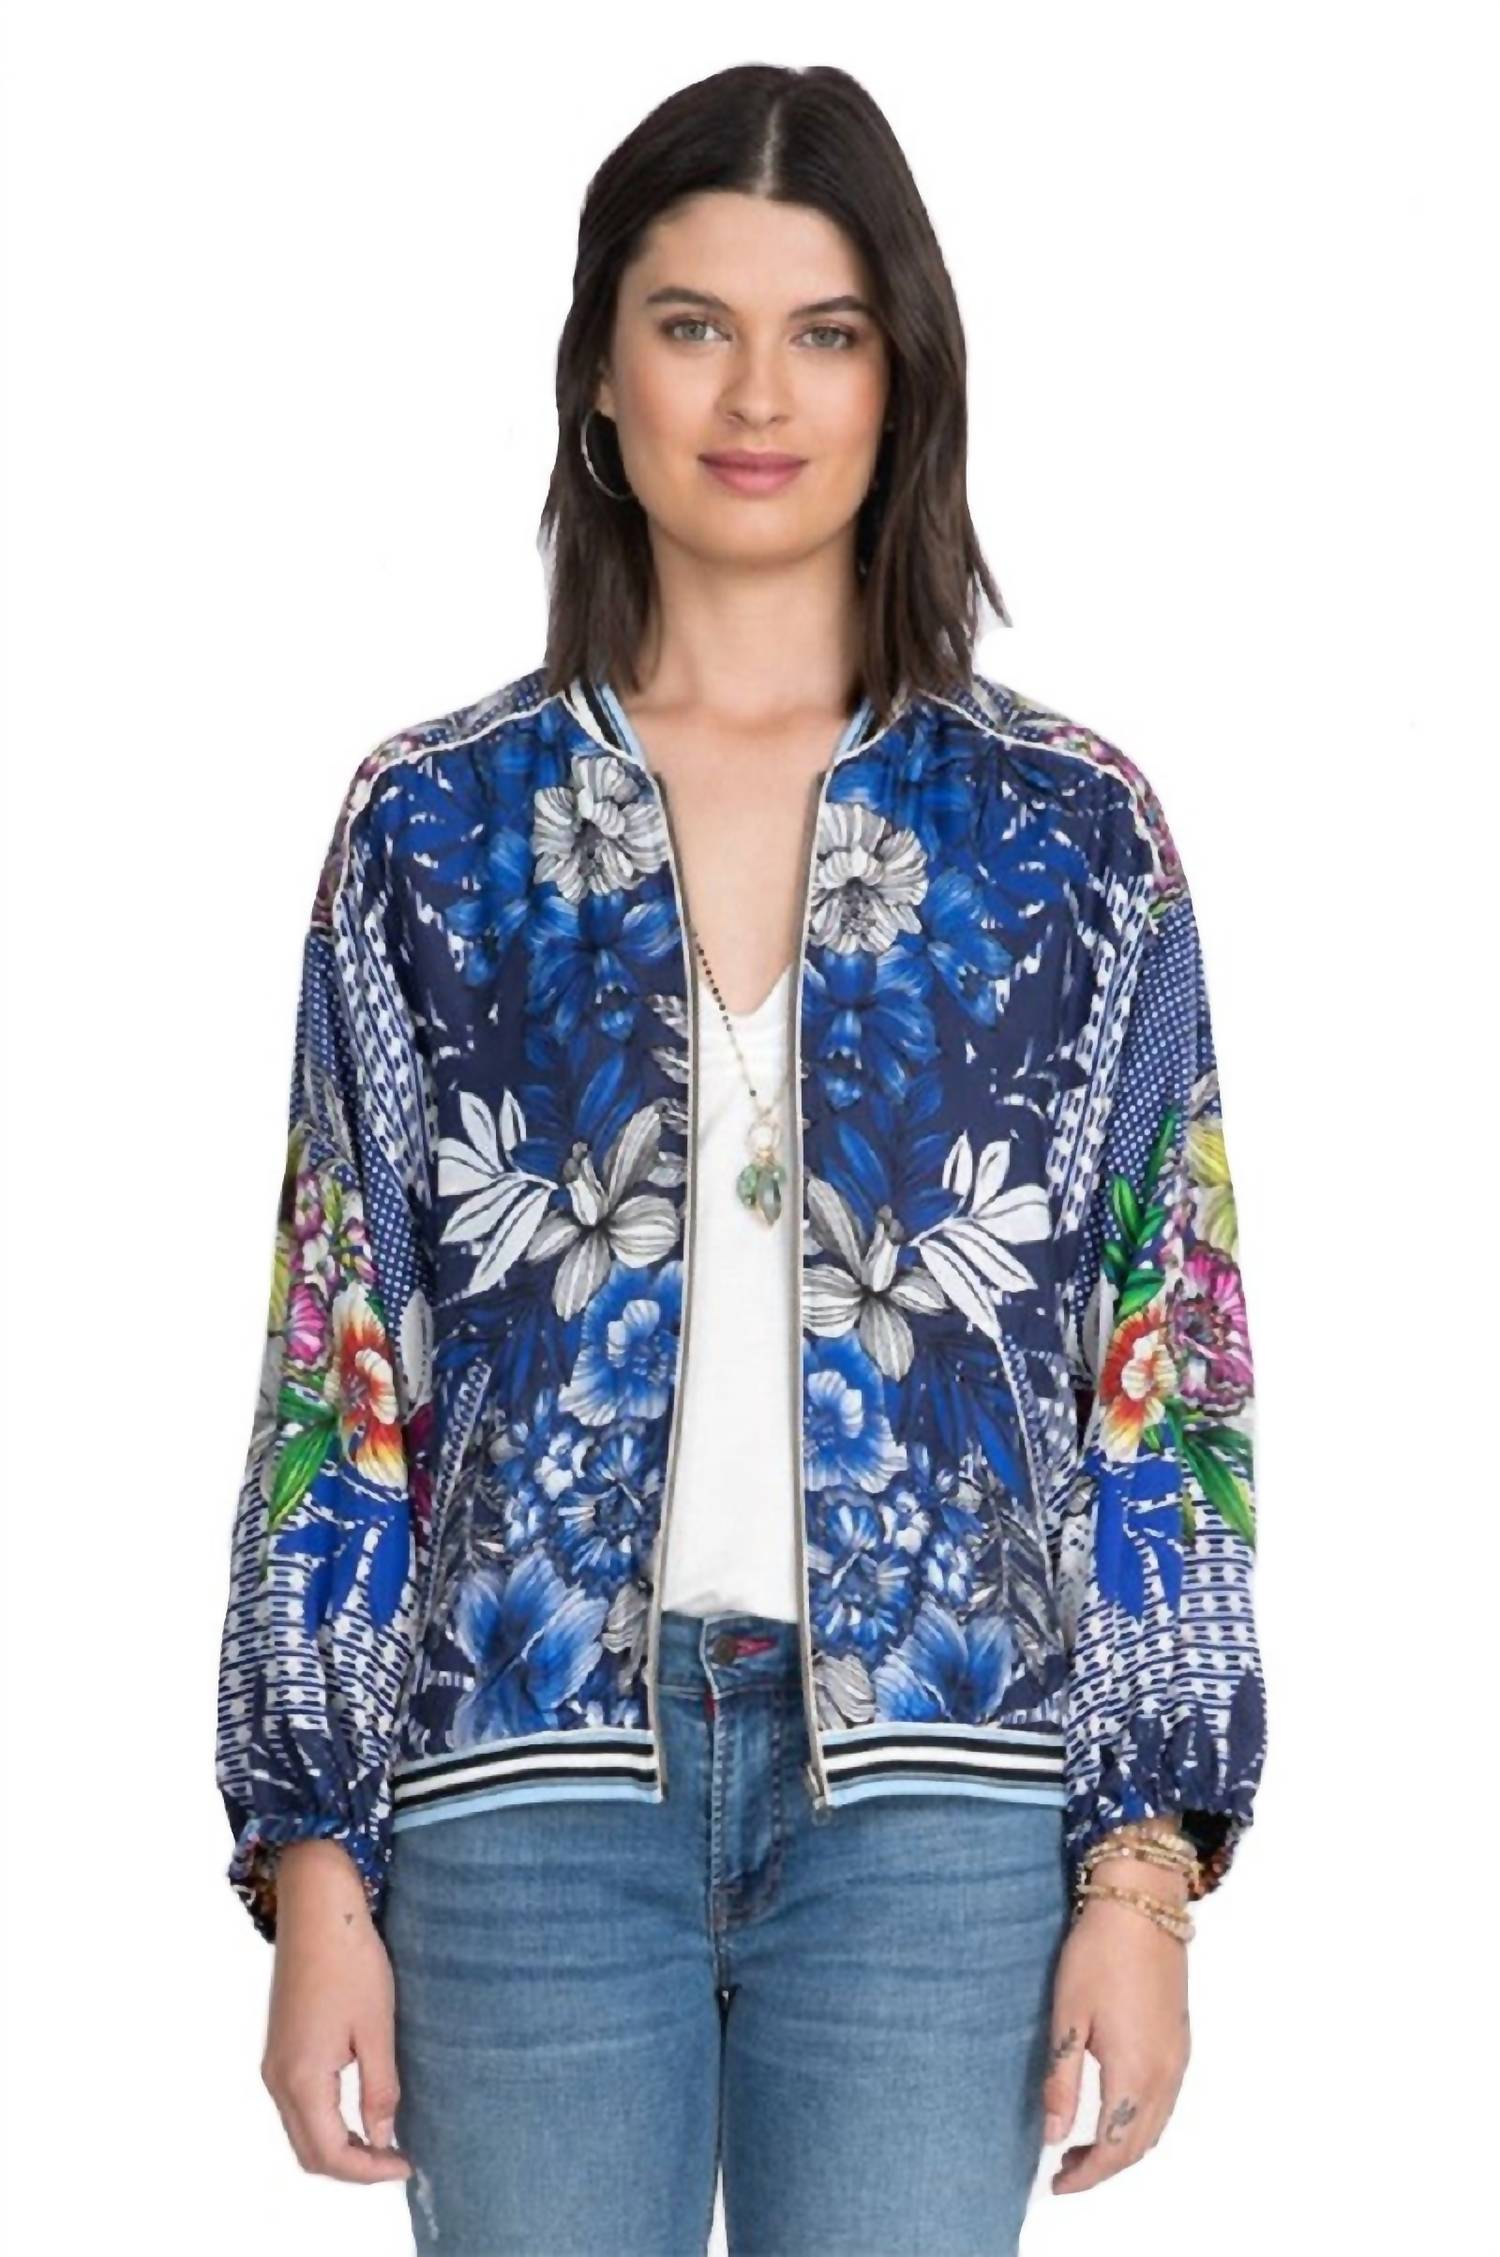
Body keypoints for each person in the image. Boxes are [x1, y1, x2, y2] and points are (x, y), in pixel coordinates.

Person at [214, 61, 1267, 2257]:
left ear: (905, 378)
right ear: (602, 376)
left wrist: (1145, 1866)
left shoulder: (1071, 835)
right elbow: (338, 1356)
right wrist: (315, 1858)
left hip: (944, 1816)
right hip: (517, 1803)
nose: (757, 394)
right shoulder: (435, 825)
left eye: (825, 330)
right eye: (693, 324)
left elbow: (1169, 1368)